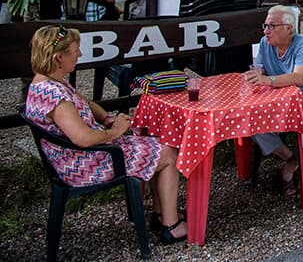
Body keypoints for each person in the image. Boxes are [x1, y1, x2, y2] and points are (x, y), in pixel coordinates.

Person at [22, 25, 188, 244]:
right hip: (84, 165)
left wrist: (106, 118)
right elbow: (83, 139)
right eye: (75, 50)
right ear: (58, 57)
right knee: (168, 153)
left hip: (77, 156)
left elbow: (86, 104)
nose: (79, 54)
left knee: (156, 143)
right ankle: (171, 226)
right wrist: (115, 130)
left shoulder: (47, 81)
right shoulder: (55, 96)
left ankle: (162, 215)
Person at [244, 5, 303, 196]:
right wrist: (257, 74)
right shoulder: (265, 43)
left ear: (289, 28)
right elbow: (260, 68)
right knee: (252, 122)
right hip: (281, 98)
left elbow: (298, 78)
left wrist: (267, 80)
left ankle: (290, 168)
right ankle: (292, 159)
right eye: (265, 25)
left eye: (271, 26)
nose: (265, 31)